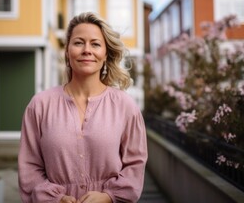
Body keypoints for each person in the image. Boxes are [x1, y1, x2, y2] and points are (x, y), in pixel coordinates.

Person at [18, 12, 148, 203]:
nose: (87, 50)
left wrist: (108, 197)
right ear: (67, 51)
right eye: (79, 42)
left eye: (95, 44)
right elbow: (29, 166)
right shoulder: (40, 105)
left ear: (105, 54)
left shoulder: (125, 106)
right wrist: (56, 199)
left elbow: (135, 164)